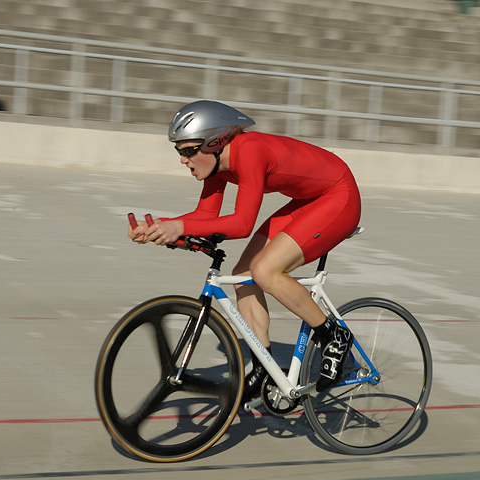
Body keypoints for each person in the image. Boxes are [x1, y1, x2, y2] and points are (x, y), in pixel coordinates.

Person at [129, 100, 362, 403]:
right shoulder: (217, 165)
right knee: (243, 275)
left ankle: (333, 335)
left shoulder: (250, 151)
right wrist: (161, 228)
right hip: (308, 200)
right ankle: (264, 368)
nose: (184, 160)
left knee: (264, 270)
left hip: (338, 196)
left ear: (216, 142)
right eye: (179, 151)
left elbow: (242, 224)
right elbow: (204, 215)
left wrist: (179, 228)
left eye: (189, 150)